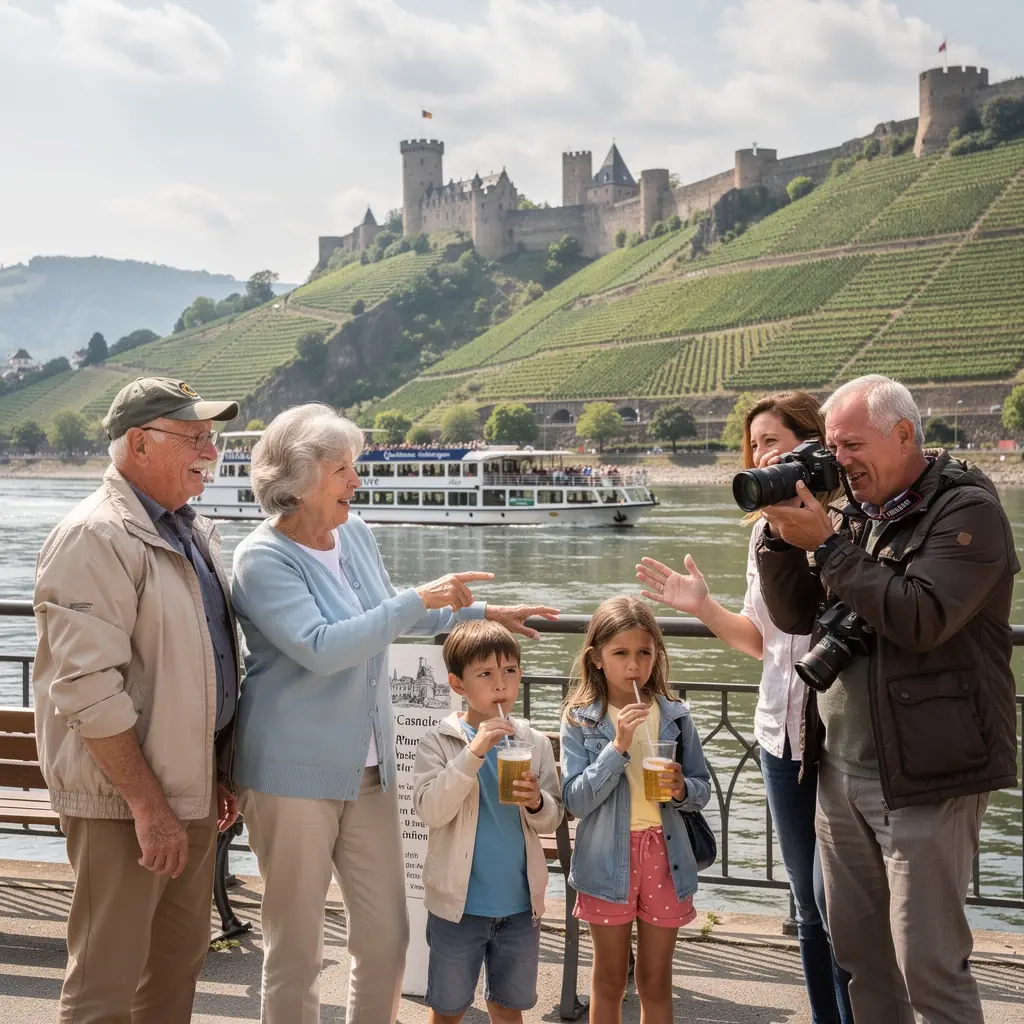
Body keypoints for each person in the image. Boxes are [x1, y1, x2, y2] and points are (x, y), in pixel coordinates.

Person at [229, 403, 558, 1024]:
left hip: (371, 771)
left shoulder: (353, 532)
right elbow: (325, 647)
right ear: (297, 481)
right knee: (296, 949)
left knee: (386, 939)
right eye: (341, 470)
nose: (357, 480)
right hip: (291, 776)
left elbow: (392, 614)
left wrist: (481, 613)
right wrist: (416, 597)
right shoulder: (261, 559)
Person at [755, 374, 1019, 1024]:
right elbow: (793, 616)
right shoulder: (858, 516)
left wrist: (829, 546)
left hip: (926, 776)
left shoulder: (968, 511)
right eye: (832, 446)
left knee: (928, 969)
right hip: (839, 774)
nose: (839, 460)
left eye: (851, 444)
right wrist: (780, 537)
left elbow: (922, 617)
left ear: (904, 435)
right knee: (864, 966)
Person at [635, 391, 853, 1024]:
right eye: (754, 444)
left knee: (841, 904)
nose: (761, 455)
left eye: (773, 442)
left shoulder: (844, 525)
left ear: (811, 447)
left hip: (838, 740)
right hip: (776, 739)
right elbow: (763, 643)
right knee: (807, 907)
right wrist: (700, 606)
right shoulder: (763, 533)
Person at [32, 376, 242, 1023]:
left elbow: (205, 664)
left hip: (187, 790)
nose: (210, 452)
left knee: (173, 972)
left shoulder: (186, 529)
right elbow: (87, 689)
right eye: (195, 438)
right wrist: (148, 804)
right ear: (138, 444)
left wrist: (215, 769)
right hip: (124, 803)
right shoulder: (95, 536)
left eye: (213, 438)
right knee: (106, 982)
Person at [560, 596, 710, 1024]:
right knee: (609, 980)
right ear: (597, 659)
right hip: (606, 858)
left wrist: (681, 788)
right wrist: (617, 747)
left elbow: (701, 788)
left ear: (656, 656)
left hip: (666, 857)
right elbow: (575, 800)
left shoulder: (675, 716)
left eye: (644, 653)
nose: (634, 665)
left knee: (656, 980)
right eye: (621, 653)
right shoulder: (581, 720)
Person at [412, 620, 563, 1023]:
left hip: (518, 907)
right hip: (457, 909)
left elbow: (551, 817)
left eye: (509, 671)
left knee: (508, 1008)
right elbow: (431, 809)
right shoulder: (439, 742)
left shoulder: (532, 742)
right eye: (485, 674)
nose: (501, 684)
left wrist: (536, 803)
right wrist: (473, 753)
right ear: (458, 684)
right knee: (447, 1010)